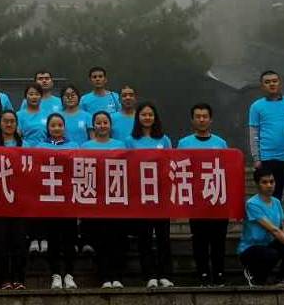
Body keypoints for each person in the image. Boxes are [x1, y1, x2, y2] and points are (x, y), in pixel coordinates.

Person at [179, 102, 230, 286]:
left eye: (205, 116)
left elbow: (227, 170)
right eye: (198, 117)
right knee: (199, 240)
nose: (201, 120)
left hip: (217, 199)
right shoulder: (184, 143)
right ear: (192, 120)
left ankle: (219, 273)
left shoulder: (220, 143)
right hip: (196, 200)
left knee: (219, 240)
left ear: (211, 119)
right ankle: (202, 273)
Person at [130, 101, 175, 287]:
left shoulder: (164, 140)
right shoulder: (130, 140)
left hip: (161, 195)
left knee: (163, 237)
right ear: (138, 117)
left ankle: (165, 274)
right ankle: (149, 275)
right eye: (143, 114)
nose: (147, 117)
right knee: (145, 237)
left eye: (150, 114)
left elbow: (171, 163)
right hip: (140, 195)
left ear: (155, 118)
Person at [82, 112, 129, 288]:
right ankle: (104, 276)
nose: (102, 126)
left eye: (105, 122)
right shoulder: (85, 146)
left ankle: (117, 276)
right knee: (100, 239)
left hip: (116, 198)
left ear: (110, 125)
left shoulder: (120, 145)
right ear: (93, 126)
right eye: (98, 123)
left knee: (117, 238)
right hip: (96, 199)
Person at [238, 166, 284, 286]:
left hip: (268, 246)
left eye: (272, 181)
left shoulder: (276, 202)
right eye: (264, 182)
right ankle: (254, 274)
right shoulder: (252, 204)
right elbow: (274, 230)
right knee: (272, 253)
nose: (269, 185)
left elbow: (282, 228)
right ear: (257, 184)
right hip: (251, 250)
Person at [248, 70, 284, 209]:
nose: (271, 84)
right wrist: (256, 158)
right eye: (267, 82)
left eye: (274, 81)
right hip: (268, 159)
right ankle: (273, 224)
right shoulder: (256, 106)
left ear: (280, 83)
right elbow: (254, 133)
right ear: (262, 86)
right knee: (272, 199)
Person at [33, 113, 78, 289]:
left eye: (60, 125)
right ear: (48, 128)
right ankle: (56, 274)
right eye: (53, 125)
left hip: (68, 199)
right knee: (53, 239)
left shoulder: (74, 146)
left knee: (69, 239)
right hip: (49, 200)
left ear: (64, 127)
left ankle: (69, 274)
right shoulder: (40, 147)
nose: (56, 128)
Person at [0, 110, 28, 289]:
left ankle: (19, 279)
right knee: (0, 242)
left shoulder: (25, 145)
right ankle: (3, 279)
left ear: (17, 124)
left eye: (12, 121)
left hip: (20, 201)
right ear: (0, 124)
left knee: (19, 242)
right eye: (6, 121)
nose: (9, 124)